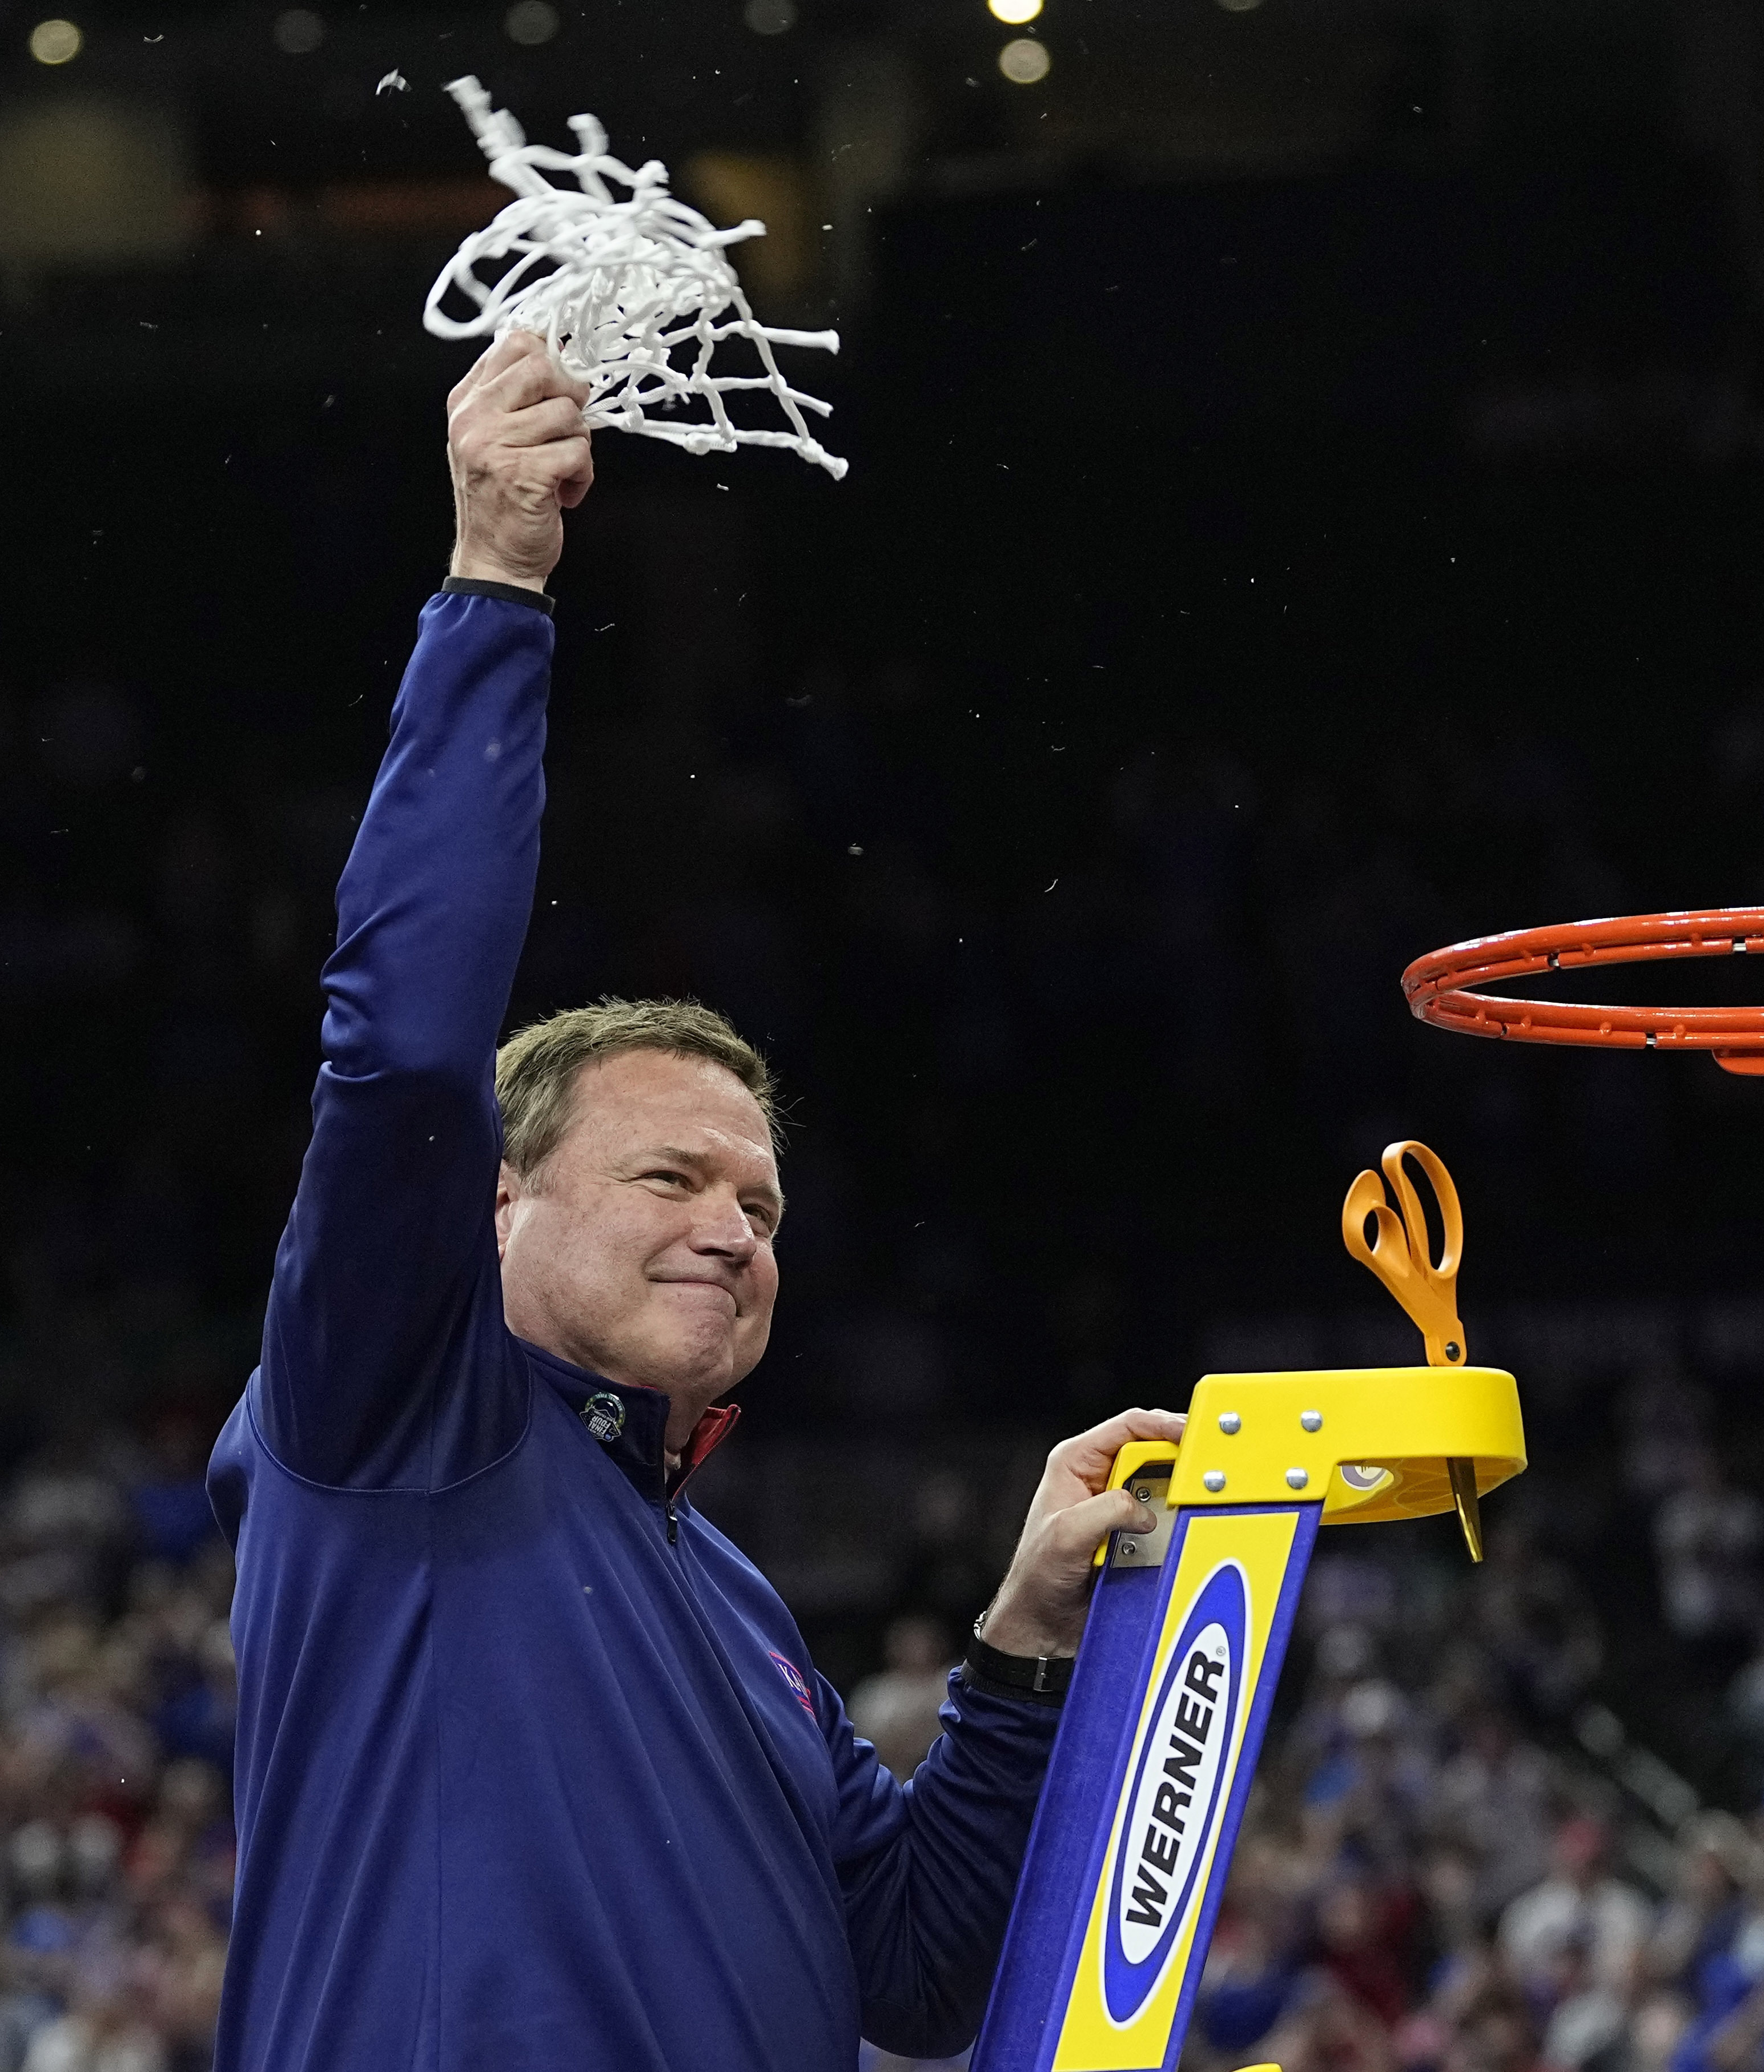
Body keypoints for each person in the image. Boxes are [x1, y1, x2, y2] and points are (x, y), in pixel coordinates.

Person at [206, 331, 1183, 2071]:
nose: (737, 1230)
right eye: (671, 1175)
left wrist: (1027, 1643)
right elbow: (404, 1048)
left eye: (765, 1203)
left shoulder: (728, 1601)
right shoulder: (388, 1419)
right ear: (493, 1207)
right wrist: (496, 583)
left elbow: (920, 1969)